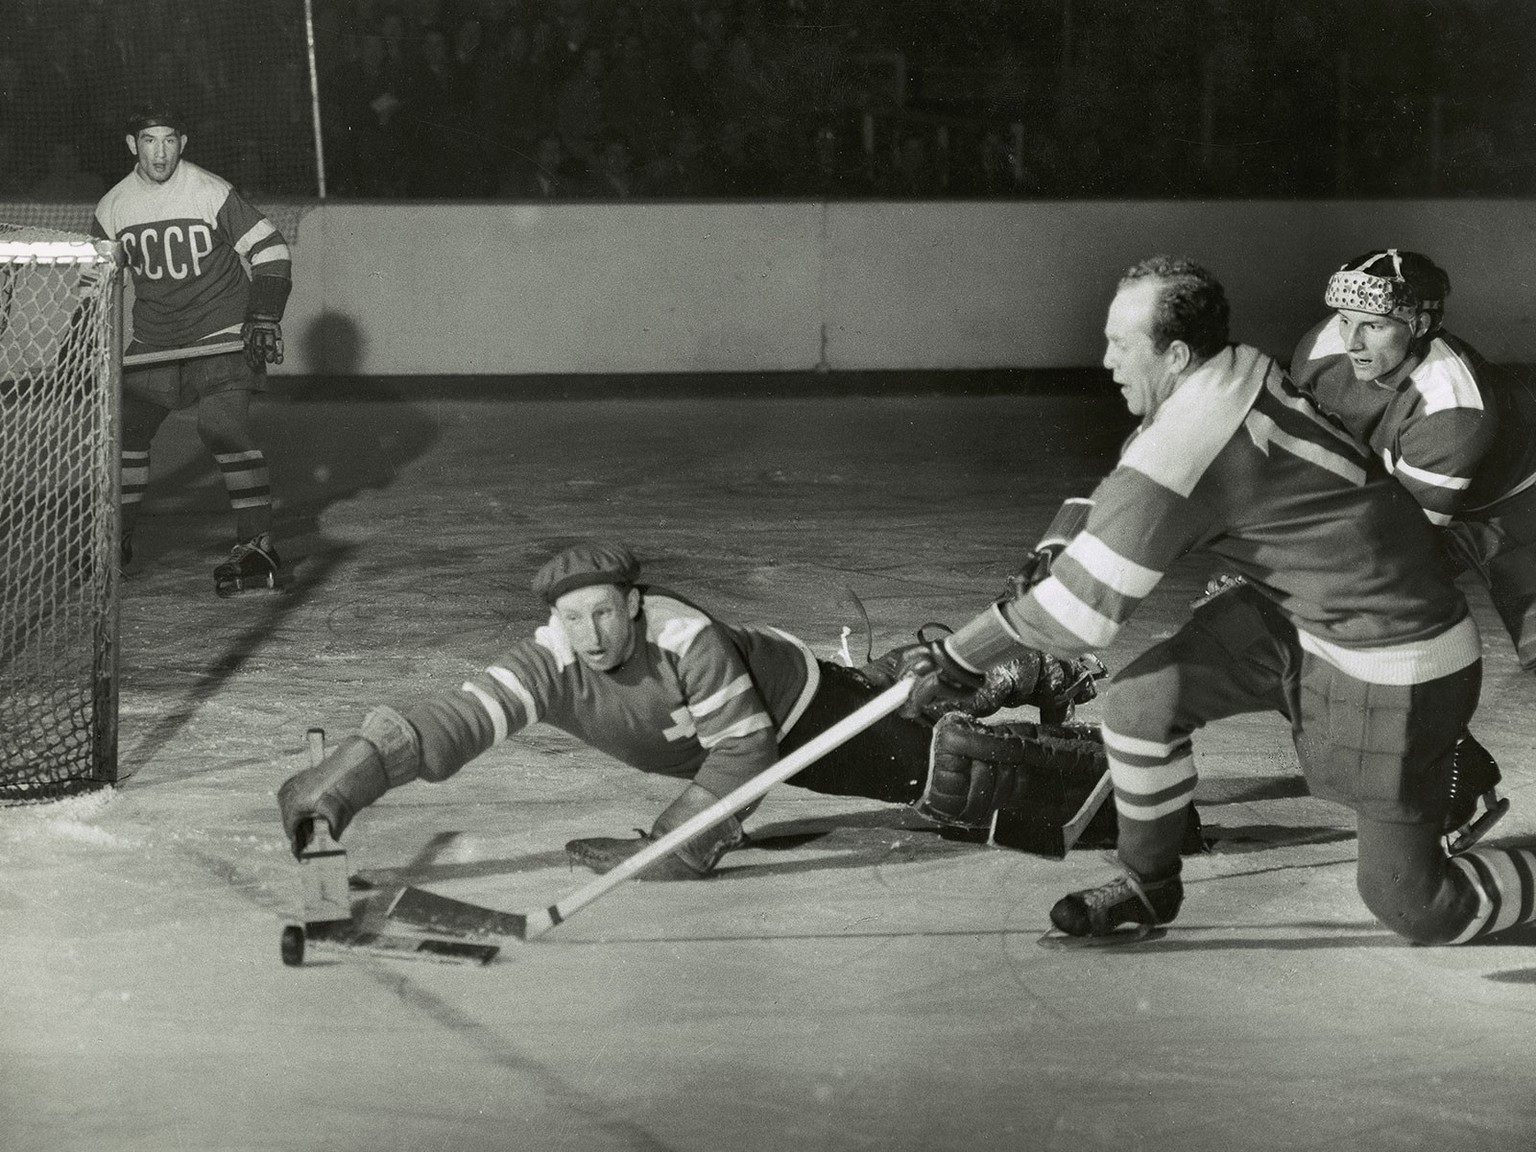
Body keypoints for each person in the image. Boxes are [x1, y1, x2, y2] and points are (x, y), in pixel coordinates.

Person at [891, 255, 1536, 945]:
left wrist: (960, 660)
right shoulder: (1248, 365)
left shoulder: (1452, 406)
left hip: (1414, 619)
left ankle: (1447, 767)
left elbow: (1083, 616)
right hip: (1308, 604)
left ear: (1176, 353)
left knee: (1414, 904)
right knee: (1140, 704)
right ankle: (1148, 883)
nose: (1105, 362)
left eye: (1120, 344)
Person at [278, 542, 1123, 881]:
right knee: (912, 707)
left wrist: (673, 848)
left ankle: (1063, 707)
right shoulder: (551, 661)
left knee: (952, 774)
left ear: (634, 602)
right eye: (575, 618)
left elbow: (746, 754)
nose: (592, 632)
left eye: (606, 611)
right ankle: (1018, 677)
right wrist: (353, 774)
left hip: (802, 717)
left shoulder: (687, 638)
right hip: (777, 710)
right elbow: (456, 723)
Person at [1291, 249, 1536, 671]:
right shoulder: (1320, 346)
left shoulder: (1452, 408)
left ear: (1419, 325)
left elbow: (1402, 549)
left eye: (1374, 325)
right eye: (1345, 319)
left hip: (1514, 499)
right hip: (1426, 472)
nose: (1351, 342)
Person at [90, 105, 291, 596]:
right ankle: (115, 540)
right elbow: (95, 283)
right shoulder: (112, 206)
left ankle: (256, 542)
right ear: (131, 145)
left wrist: (262, 314)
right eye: (149, 140)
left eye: (169, 140)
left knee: (221, 425)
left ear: (183, 142)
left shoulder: (209, 191)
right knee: (126, 431)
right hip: (156, 340)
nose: (160, 152)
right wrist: (84, 341)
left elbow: (271, 250)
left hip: (220, 333)